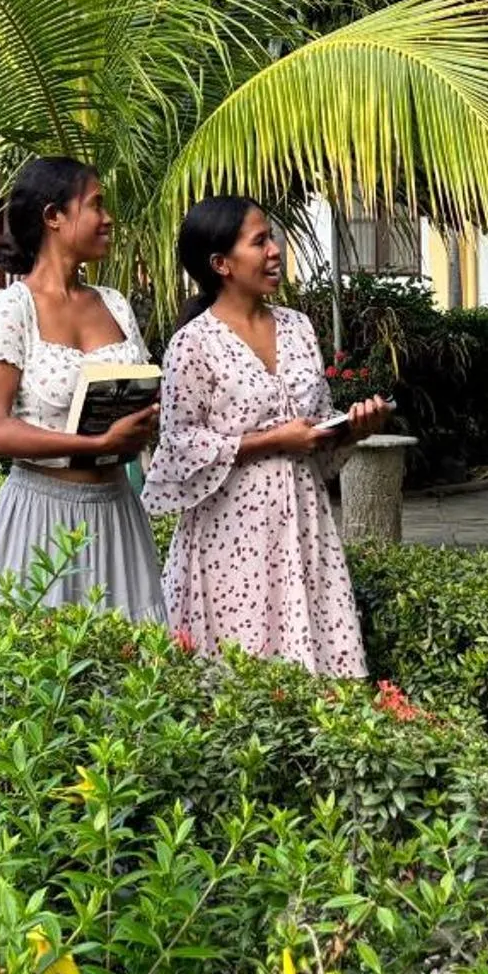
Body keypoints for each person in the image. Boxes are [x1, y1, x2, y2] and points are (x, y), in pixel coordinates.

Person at [143, 195, 391, 675]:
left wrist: (353, 429)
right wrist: (273, 441)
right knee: (239, 677)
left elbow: (314, 431)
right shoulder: (192, 345)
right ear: (222, 264)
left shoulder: (298, 328)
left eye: (271, 237)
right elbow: (177, 447)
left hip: (303, 526)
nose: (275, 250)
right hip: (229, 538)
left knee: (316, 675)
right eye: (259, 242)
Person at [0, 156, 166, 622]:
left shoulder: (116, 305)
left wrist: (147, 419)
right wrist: (95, 443)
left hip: (117, 513)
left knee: (133, 674)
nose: (108, 218)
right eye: (96, 205)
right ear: (53, 216)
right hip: (41, 515)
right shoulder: (12, 309)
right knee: (39, 677)